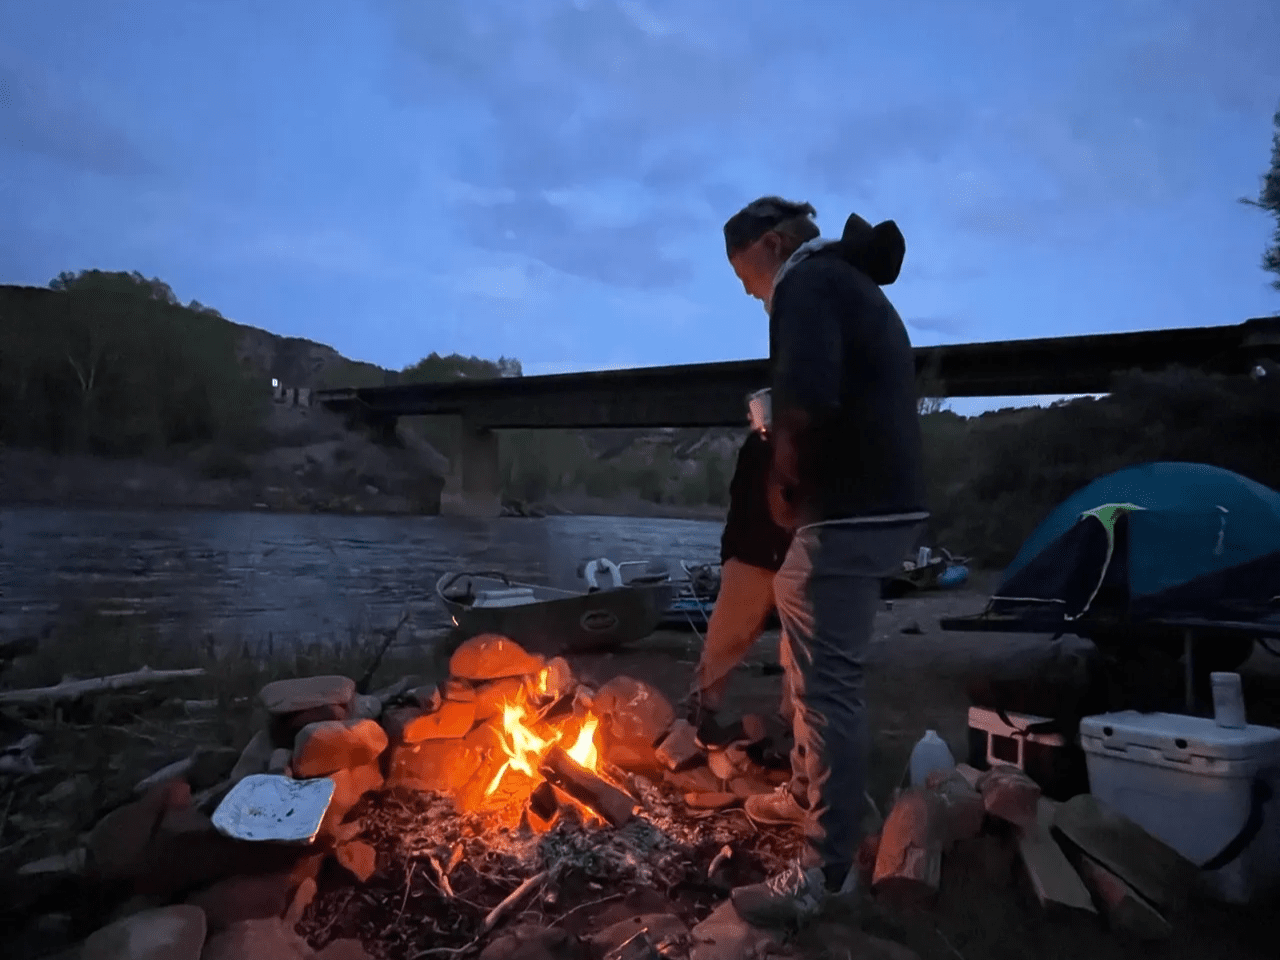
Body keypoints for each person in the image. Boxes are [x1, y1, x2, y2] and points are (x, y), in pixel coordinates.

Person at [719, 197, 929, 925]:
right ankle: (811, 797)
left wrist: (782, 479)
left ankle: (827, 871)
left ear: (772, 245)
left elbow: (806, 402)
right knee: (811, 659)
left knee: (826, 683)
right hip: (883, 501)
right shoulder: (850, 283)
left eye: (747, 278)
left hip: (850, 507)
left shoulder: (806, 284)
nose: (750, 294)